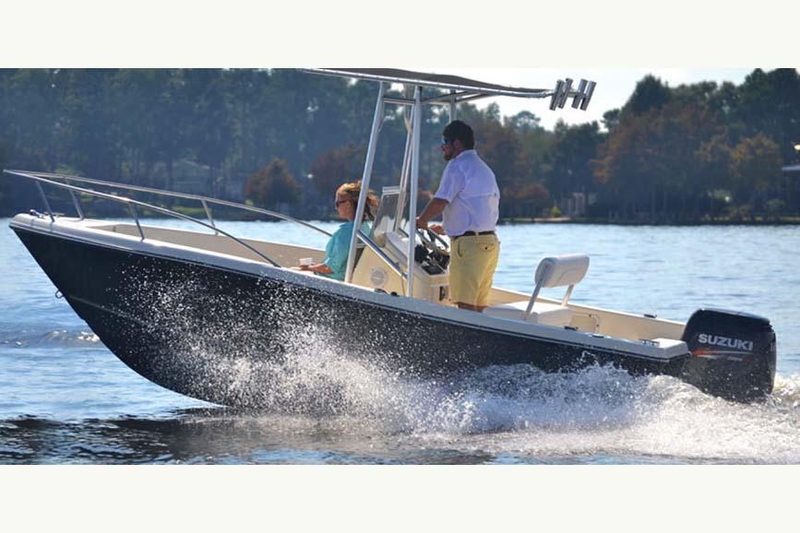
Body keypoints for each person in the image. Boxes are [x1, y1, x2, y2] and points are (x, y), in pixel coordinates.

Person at [416, 120, 500, 312]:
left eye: (444, 141)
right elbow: (478, 209)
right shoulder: (484, 169)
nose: (442, 146)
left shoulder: (457, 165)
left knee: (465, 307)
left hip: (469, 247)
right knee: (479, 306)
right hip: (489, 244)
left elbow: (440, 201)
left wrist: (422, 220)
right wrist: (445, 227)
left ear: (457, 143)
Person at [300, 180, 378, 281]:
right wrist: (314, 267)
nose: (336, 208)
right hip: (346, 278)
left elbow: (330, 268)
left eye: (337, 203)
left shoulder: (346, 233)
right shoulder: (366, 227)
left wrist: (309, 268)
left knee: (290, 271)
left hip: (334, 281)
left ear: (348, 204)